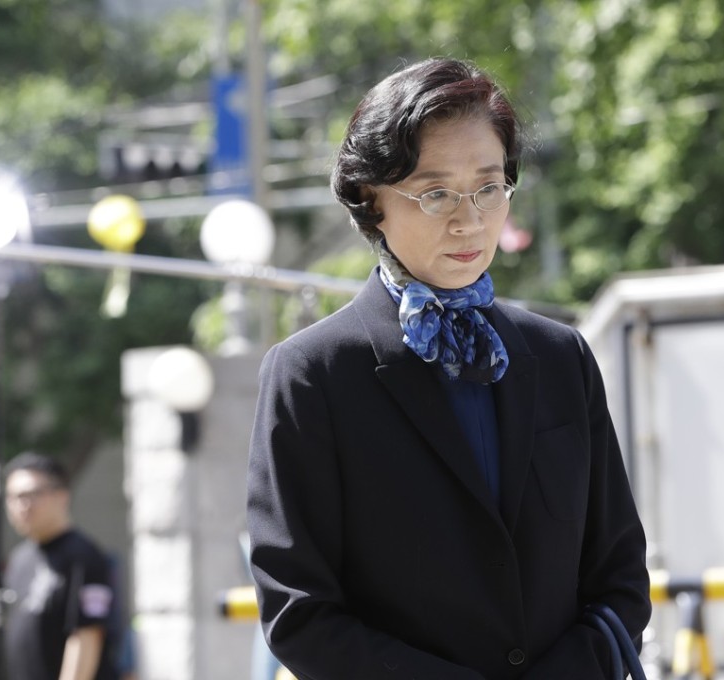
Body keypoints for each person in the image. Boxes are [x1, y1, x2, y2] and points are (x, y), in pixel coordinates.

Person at [247, 57, 651, 679]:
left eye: (489, 188)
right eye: (435, 193)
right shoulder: (312, 376)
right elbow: (298, 612)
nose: (470, 220)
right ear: (369, 198)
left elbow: (620, 579)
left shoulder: (560, 356)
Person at [2, 452, 120, 680]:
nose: (22, 505)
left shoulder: (83, 556)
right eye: (13, 497)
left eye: (31, 494)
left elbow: (87, 635)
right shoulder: (19, 559)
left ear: (61, 496)